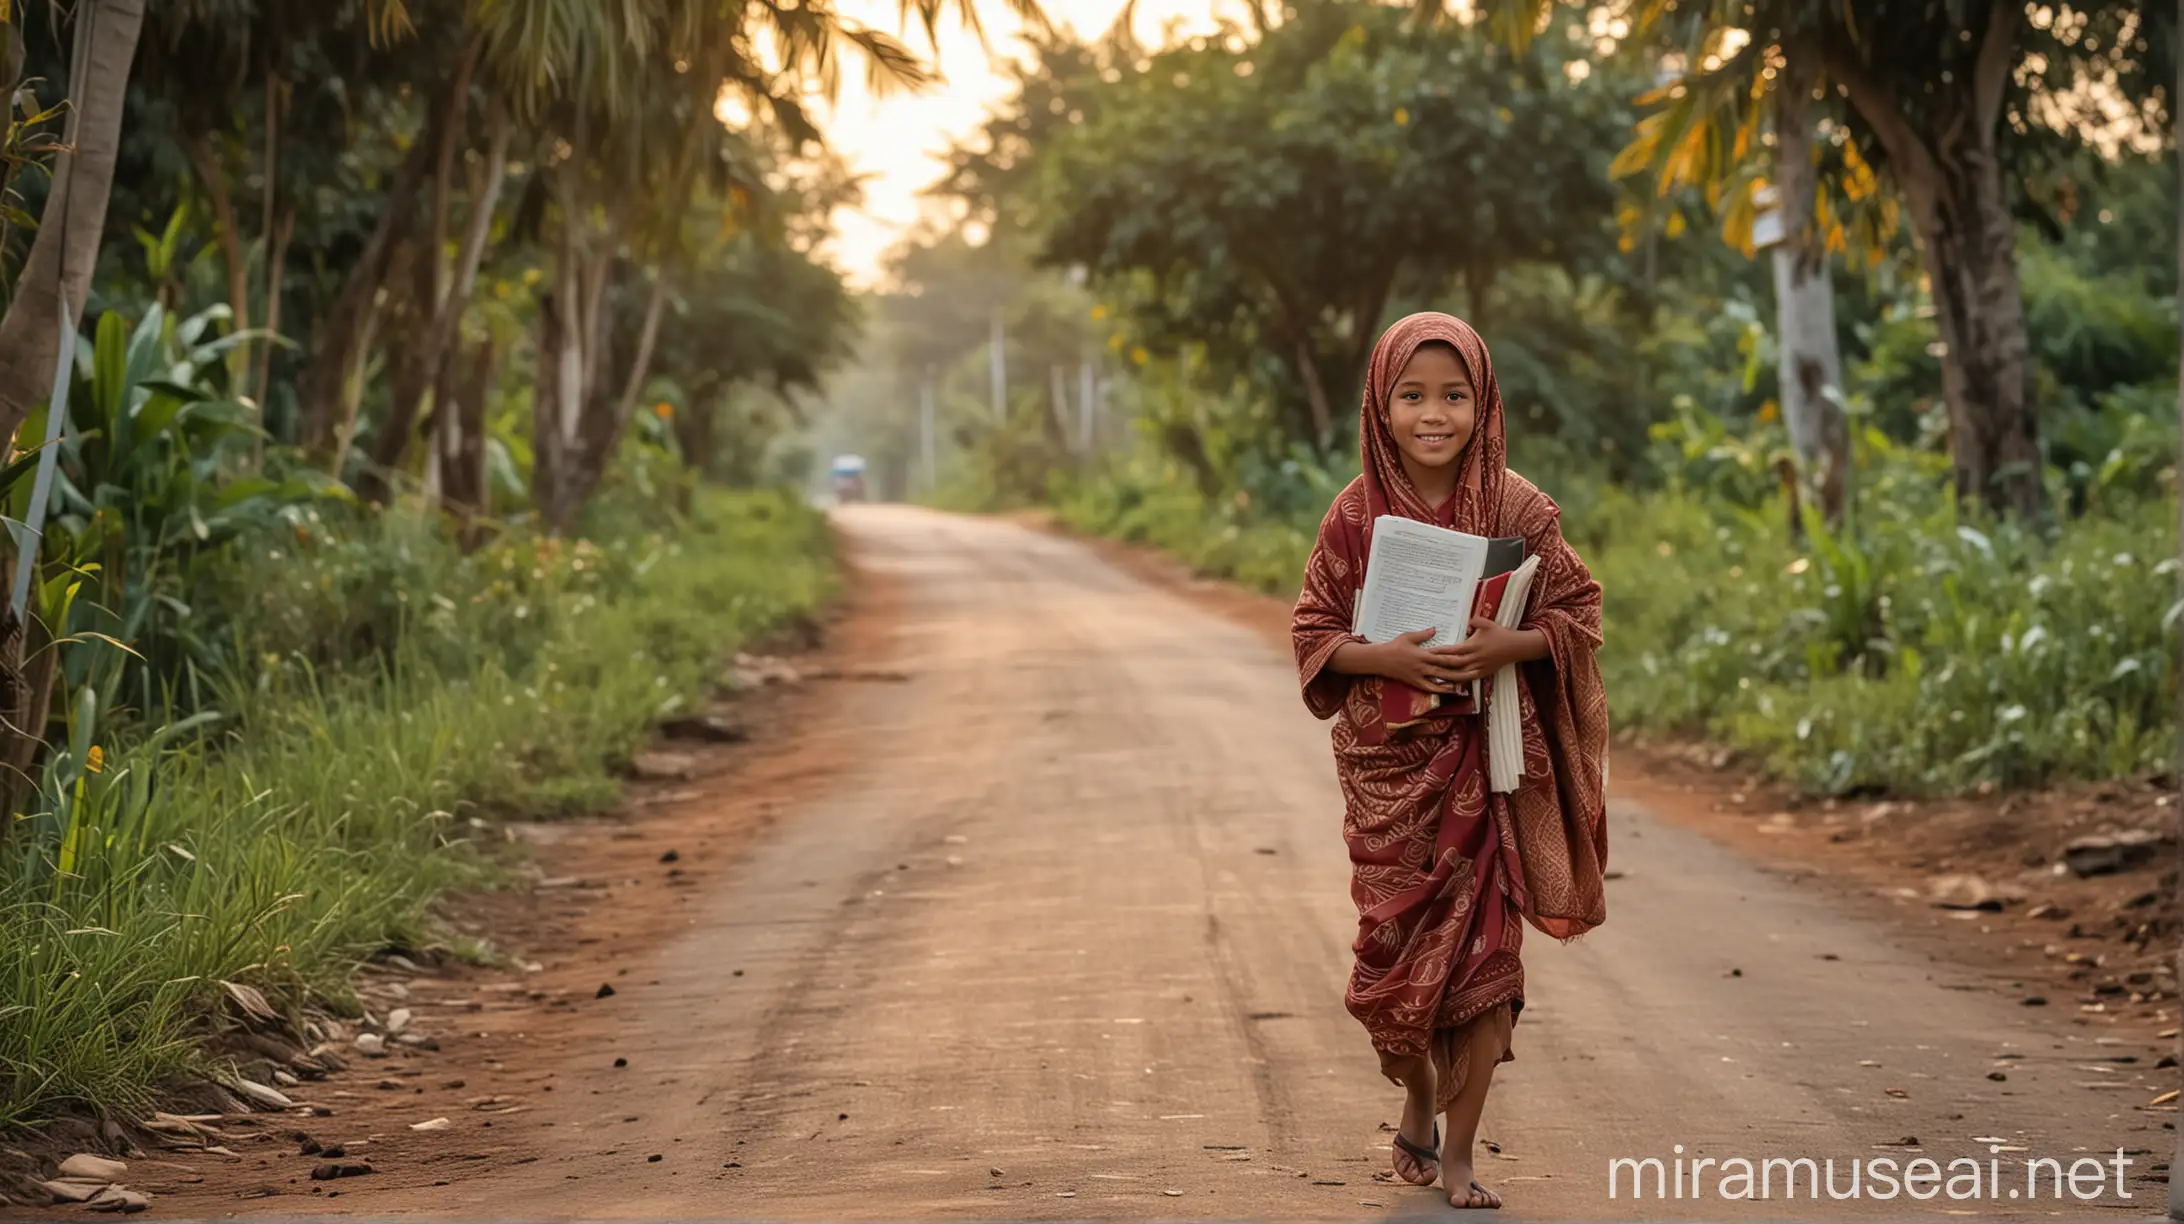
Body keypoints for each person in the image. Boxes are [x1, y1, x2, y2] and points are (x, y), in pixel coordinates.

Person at [1290, 312, 1610, 1210]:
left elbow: (1580, 614)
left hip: (1491, 769)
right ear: (1380, 407)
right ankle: (1418, 1095)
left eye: (1455, 395)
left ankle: (1461, 1152)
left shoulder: (1520, 509)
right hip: (1389, 777)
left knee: (1486, 968)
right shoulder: (1353, 516)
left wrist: (1506, 647)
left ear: (1484, 402)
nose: (1435, 414)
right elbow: (1314, 632)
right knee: (1391, 972)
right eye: (1413, 395)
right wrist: (1386, 657)